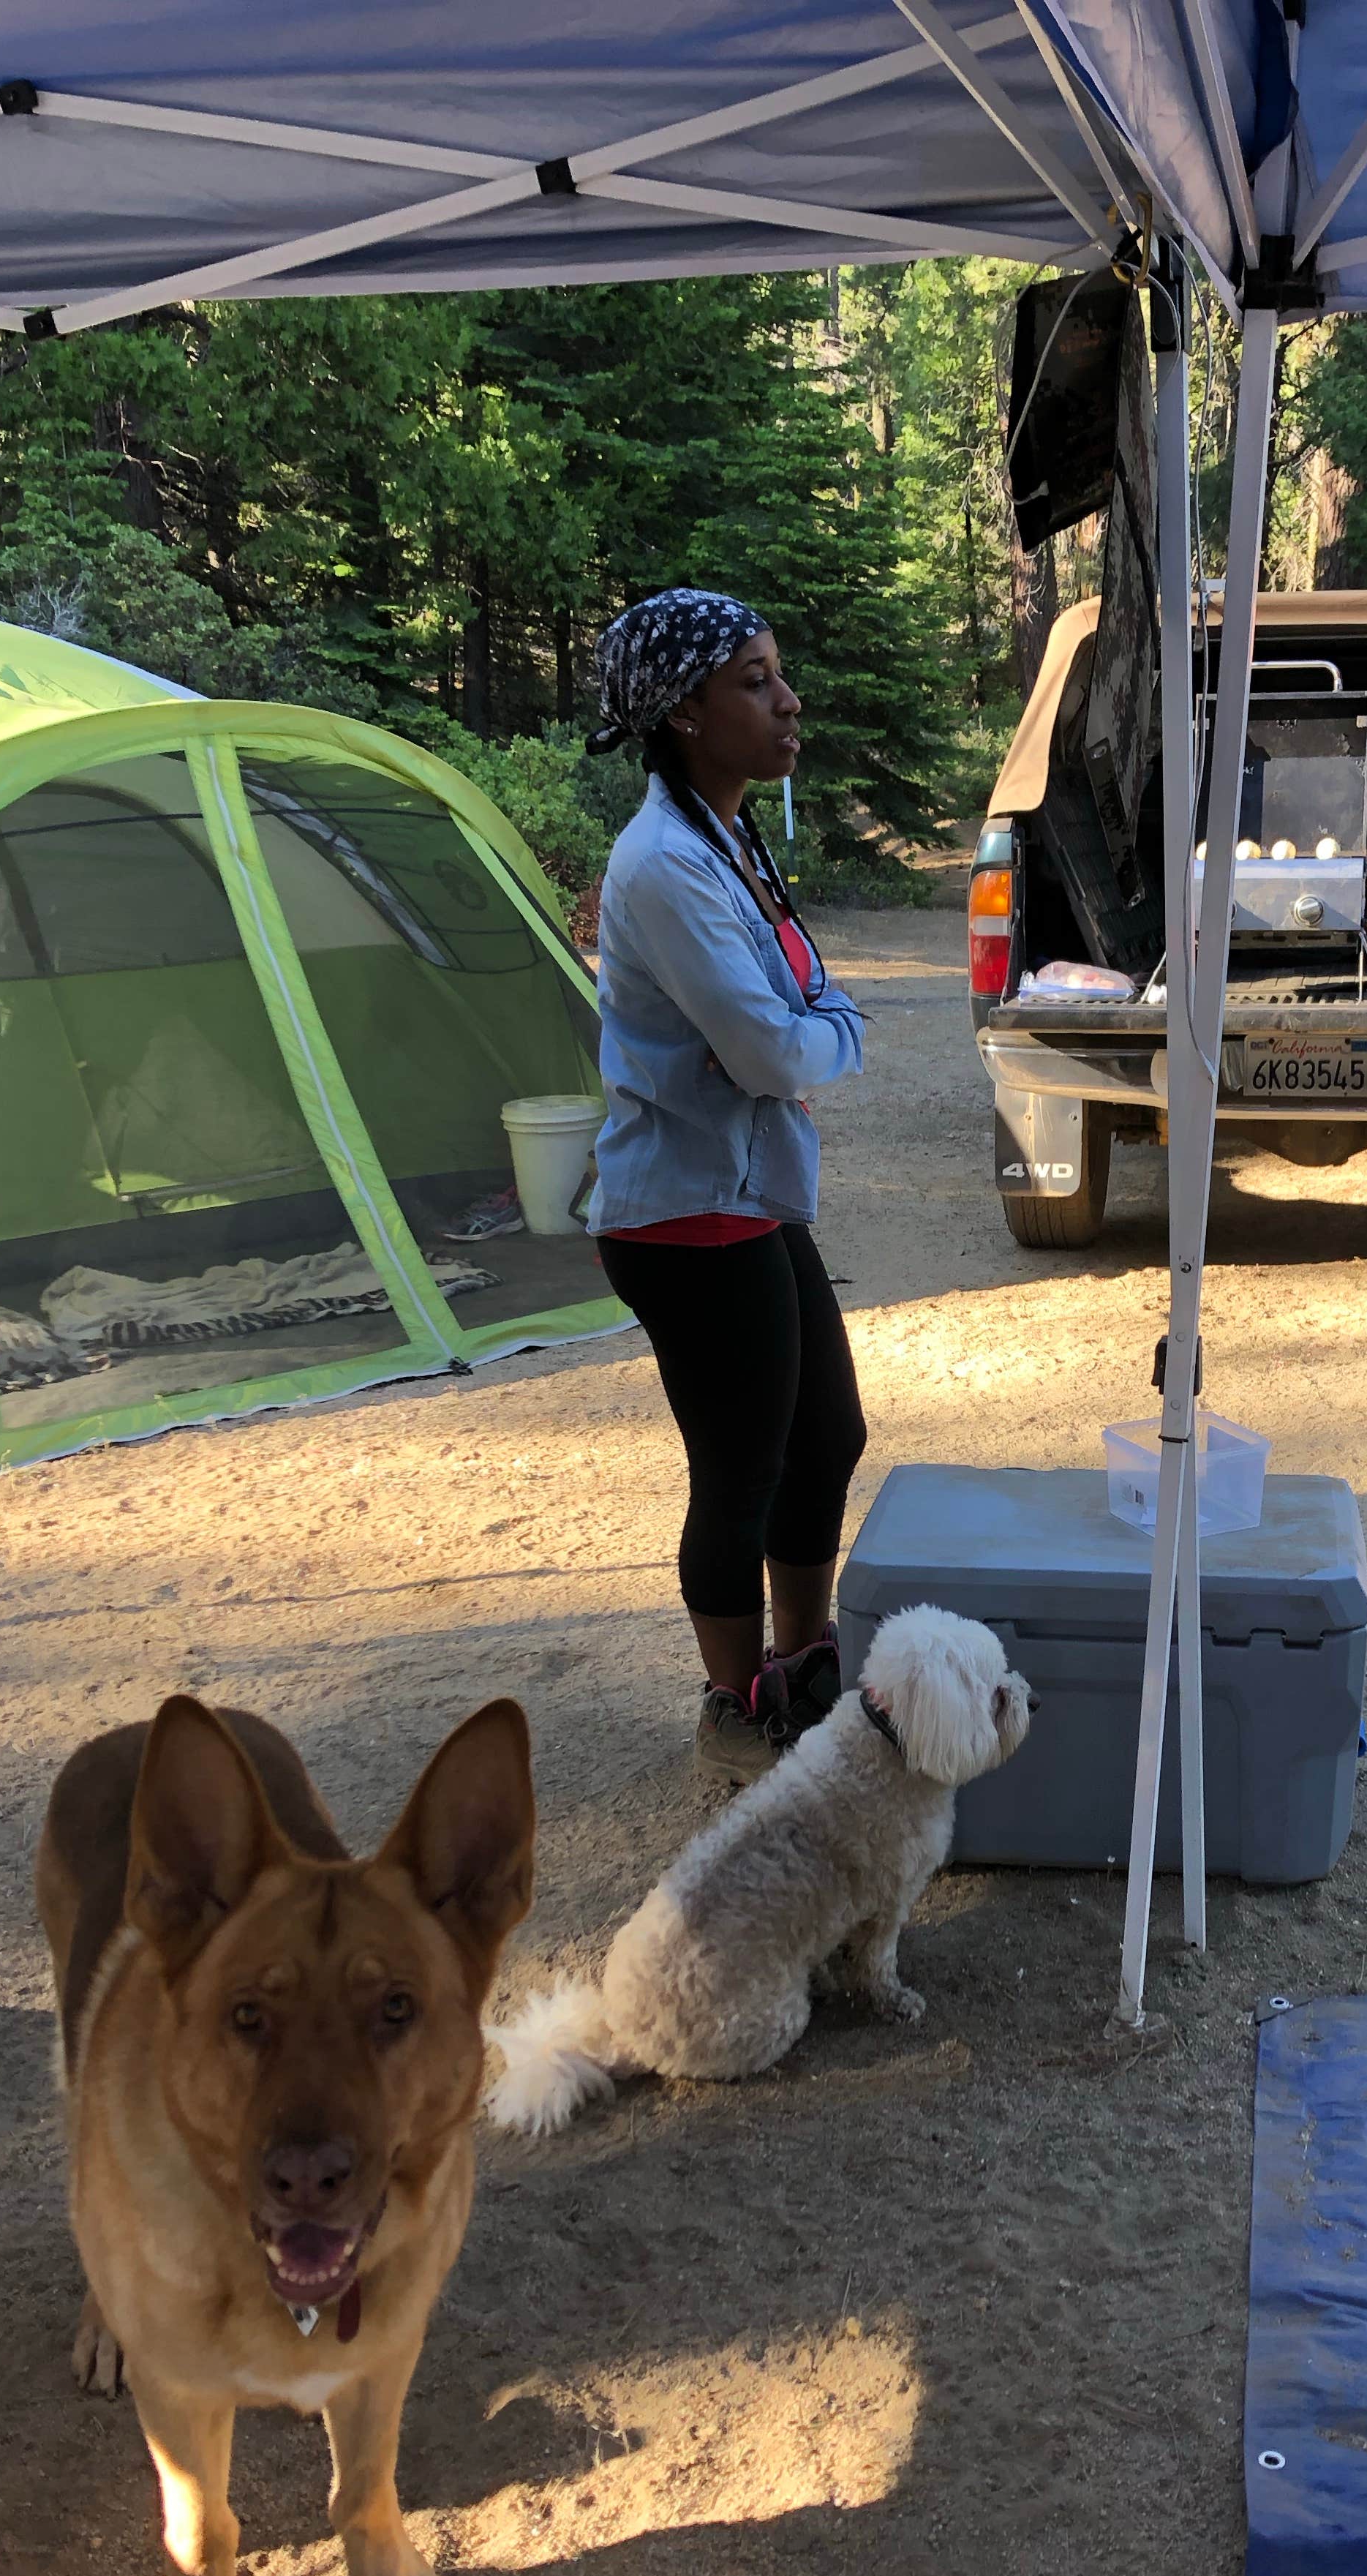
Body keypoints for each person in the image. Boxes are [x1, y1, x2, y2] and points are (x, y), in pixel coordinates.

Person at [585, 590, 869, 1781]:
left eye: (780, 674)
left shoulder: (725, 836)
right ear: (686, 713)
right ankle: (735, 1708)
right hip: (684, 1214)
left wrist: (810, 1029)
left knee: (828, 1438)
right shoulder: (663, 864)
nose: (789, 701)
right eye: (756, 682)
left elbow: (791, 1021)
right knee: (742, 1471)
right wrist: (830, 1032)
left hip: (744, 1193)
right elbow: (775, 1052)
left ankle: (800, 1667)